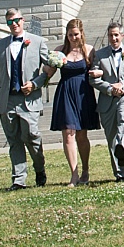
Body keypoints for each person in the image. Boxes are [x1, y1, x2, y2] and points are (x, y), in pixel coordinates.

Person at [0, 9, 51, 189]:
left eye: (16, 21)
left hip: (28, 99)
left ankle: (40, 169)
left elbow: (49, 67)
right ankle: (19, 180)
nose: (13, 24)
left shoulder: (37, 42)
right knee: (13, 140)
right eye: (9, 22)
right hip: (6, 100)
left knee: (31, 135)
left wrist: (35, 84)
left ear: (22, 20)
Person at [48, 17, 99, 186]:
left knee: (82, 135)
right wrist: (49, 63)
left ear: (81, 33)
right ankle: (74, 174)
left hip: (83, 94)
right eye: (70, 35)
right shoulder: (60, 50)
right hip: (66, 93)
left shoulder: (89, 50)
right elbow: (48, 72)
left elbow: (98, 70)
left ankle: (85, 169)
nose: (73, 38)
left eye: (75, 34)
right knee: (68, 134)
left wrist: (98, 74)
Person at [89, 22, 124, 181]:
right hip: (107, 99)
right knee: (111, 135)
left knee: (123, 119)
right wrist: (110, 88)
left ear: (122, 36)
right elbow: (93, 79)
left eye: (116, 35)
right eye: (111, 35)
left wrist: (123, 84)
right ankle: (120, 174)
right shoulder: (100, 55)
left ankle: (122, 145)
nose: (113, 38)